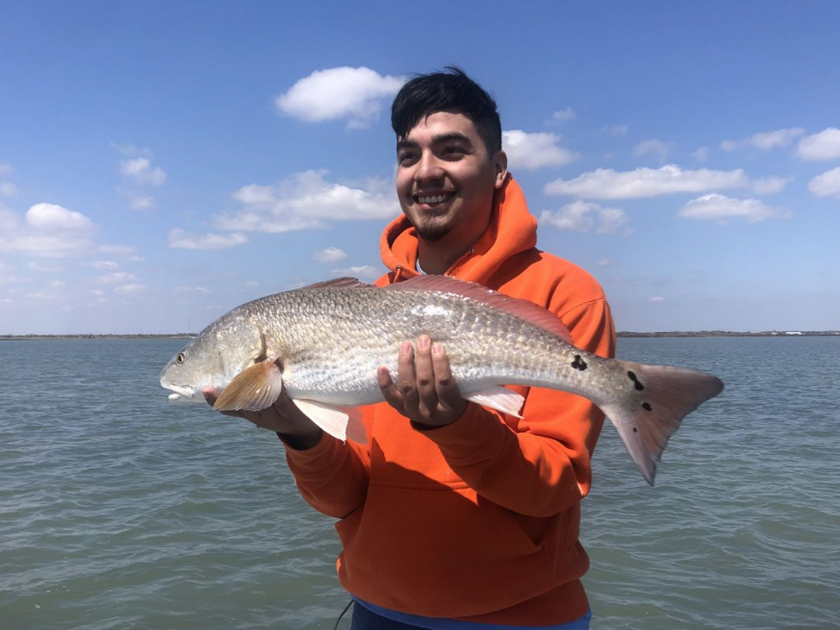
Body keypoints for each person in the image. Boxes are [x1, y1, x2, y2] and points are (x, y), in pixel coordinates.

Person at [206, 68, 615, 629]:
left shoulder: (566, 294)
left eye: (451, 150)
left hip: (522, 617)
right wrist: (297, 431)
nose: (426, 172)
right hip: (377, 610)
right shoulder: (359, 313)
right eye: (408, 155)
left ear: (498, 169)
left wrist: (457, 426)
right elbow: (345, 499)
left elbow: (557, 486)